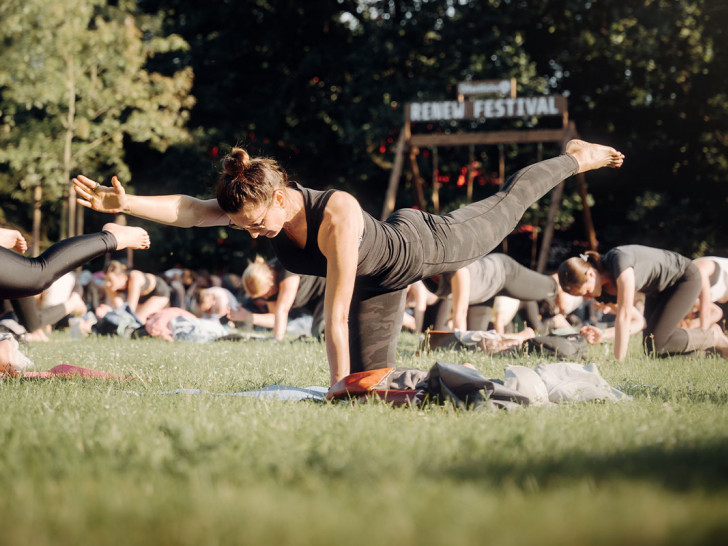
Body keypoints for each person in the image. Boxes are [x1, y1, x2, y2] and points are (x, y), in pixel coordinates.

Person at [74, 139, 624, 385]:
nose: (256, 234)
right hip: (377, 285)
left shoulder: (335, 212)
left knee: (503, 211)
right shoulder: (249, 200)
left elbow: (333, 317)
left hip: (421, 244)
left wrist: (336, 382)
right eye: (246, 228)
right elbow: (191, 211)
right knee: (369, 384)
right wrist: (126, 203)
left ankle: (572, 158)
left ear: (283, 195)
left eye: (259, 224)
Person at [0, 222, 150, 372]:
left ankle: (112, 237)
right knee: (32, 322)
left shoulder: (134, 278)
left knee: (36, 276)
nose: (108, 284)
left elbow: (129, 310)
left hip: (63, 288)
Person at [558, 246, 728, 360]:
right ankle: (710, 350)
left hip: (684, 277)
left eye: (586, 292)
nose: (588, 298)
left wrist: (619, 362)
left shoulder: (619, 262)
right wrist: (604, 335)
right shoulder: (603, 292)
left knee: (659, 341)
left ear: (590, 274)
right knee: (652, 349)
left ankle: (713, 335)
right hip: (658, 291)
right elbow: (638, 321)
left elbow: (624, 316)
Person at [424, 253, 570, 334]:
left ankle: (578, 274)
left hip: (504, 273)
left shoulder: (458, 270)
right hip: (482, 296)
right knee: (474, 343)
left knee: (549, 286)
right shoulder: (429, 278)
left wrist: (454, 342)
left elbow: (460, 312)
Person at [240, 256, 326, 339]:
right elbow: (276, 318)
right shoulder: (269, 288)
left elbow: (283, 309)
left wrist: (277, 338)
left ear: (270, 278)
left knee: (320, 330)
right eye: (263, 297)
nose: (267, 297)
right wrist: (247, 316)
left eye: (267, 293)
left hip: (327, 289)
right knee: (318, 332)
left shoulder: (287, 268)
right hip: (314, 301)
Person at [103, 260, 171, 323]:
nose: (107, 283)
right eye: (105, 279)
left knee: (139, 320)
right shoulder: (110, 287)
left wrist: (109, 312)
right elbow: (121, 310)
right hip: (141, 298)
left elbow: (130, 309)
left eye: (110, 280)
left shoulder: (134, 278)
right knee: (132, 321)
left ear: (121, 276)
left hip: (158, 292)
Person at [691, 256, 728, 329]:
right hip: (679, 290)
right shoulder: (716, 268)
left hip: (687, 300)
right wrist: (704, 325)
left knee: (717, 313)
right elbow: (700, 268)